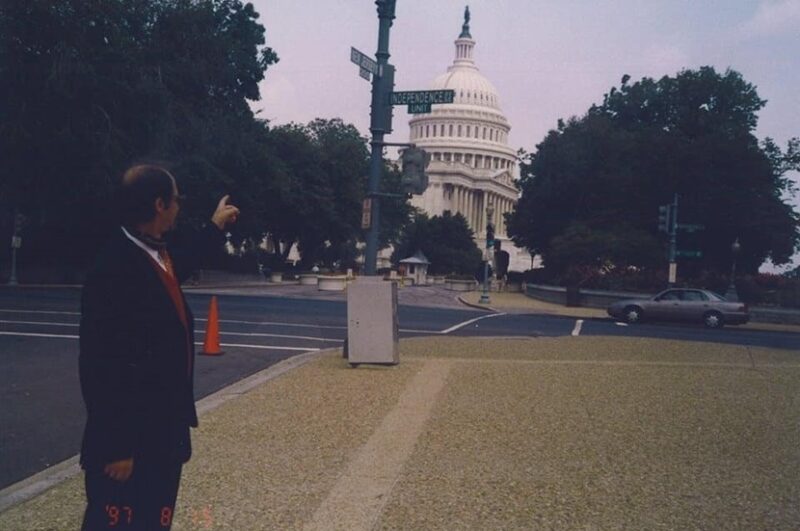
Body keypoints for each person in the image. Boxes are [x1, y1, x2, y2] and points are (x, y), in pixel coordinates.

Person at [78, 164, 239, 530]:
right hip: (129, 445)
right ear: (159, 204)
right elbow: (100, 365)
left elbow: (179, 267)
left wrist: (214, 227)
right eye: (177, 199)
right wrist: (116, 446)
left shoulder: (153, 254)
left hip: (161, 436)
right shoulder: (114, 269)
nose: (179, 206)